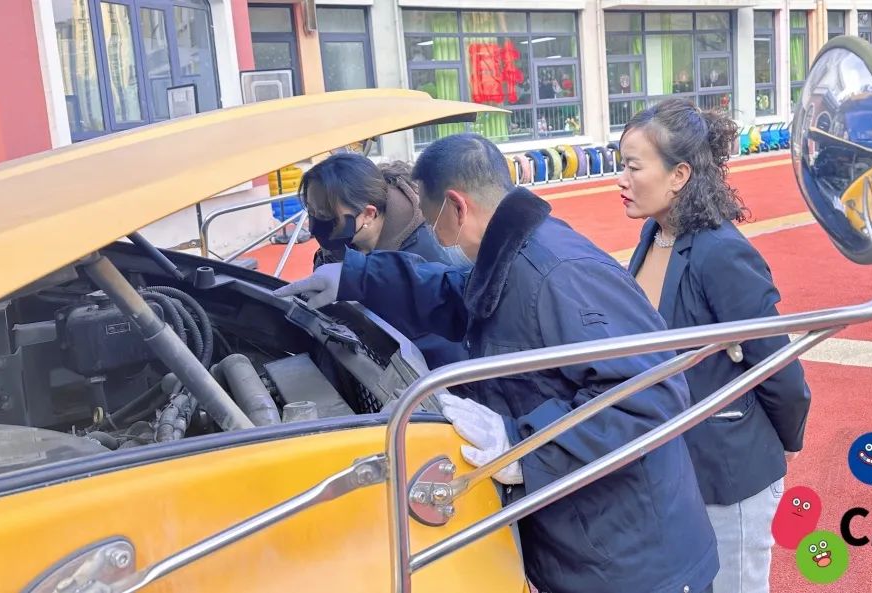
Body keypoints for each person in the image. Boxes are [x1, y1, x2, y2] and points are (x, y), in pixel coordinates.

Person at [274, 133, 720, 593]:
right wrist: (354, 276)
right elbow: (454, 292)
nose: (435, 235)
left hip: (635, 564)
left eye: (432, 222)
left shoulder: (558, 273)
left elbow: (650, 394)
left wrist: (522, 445)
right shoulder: (513, 253)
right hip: (592, 542)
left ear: (457, 207)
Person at [618, 98, 812, 593]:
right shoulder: (654, 234)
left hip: (731, 473)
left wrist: (779, 445)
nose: (620, 179)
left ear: (679, 174)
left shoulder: (721, 253)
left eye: (633, 167)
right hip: (678, 468)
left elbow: (779, 367)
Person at [299, 153, 469, 369]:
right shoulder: (339, 245)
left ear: (369, 214)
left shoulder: (430, 256)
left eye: (325, 215)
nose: (314, 227)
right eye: (312, 213)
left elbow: (445, 352)